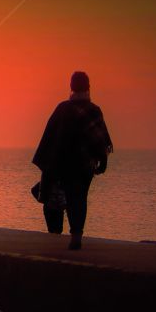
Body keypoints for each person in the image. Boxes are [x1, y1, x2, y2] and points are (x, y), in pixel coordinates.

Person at [32, 71, 113, 250]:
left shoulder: (62, 109)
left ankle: (70, 233)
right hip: (86, 165)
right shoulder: (94, 110)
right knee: (80, 198)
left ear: (71, 87)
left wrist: (49, 165)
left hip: (64, 165)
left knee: (69, 196)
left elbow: (49, 139)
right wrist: (103, 161)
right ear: (88, 87)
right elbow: (100, 140)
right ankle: (77, 233)